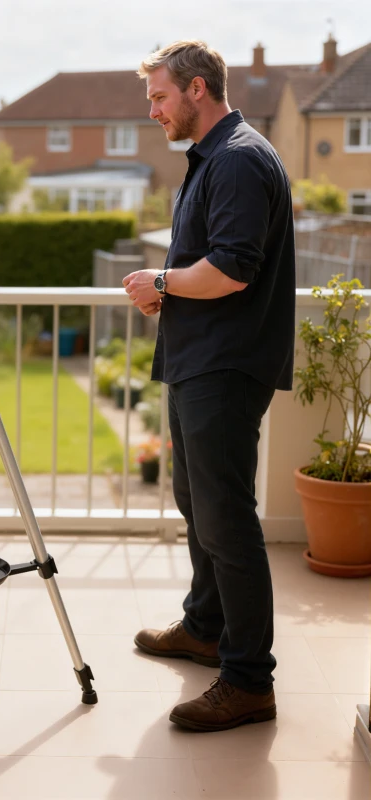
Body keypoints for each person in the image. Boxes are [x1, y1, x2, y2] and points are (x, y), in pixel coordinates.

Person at [124, 40, 296, 732]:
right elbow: (212, 265)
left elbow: (230, 270)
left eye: (160, 98)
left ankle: (250, 680)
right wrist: (174, 288)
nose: (154, 112)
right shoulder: (213, 159)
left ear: (199, 89)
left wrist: (161, 281)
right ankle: (205, 625)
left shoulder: (239, 159)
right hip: (200, 361)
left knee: (226, 517)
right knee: (196, 499)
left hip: (226, 369)